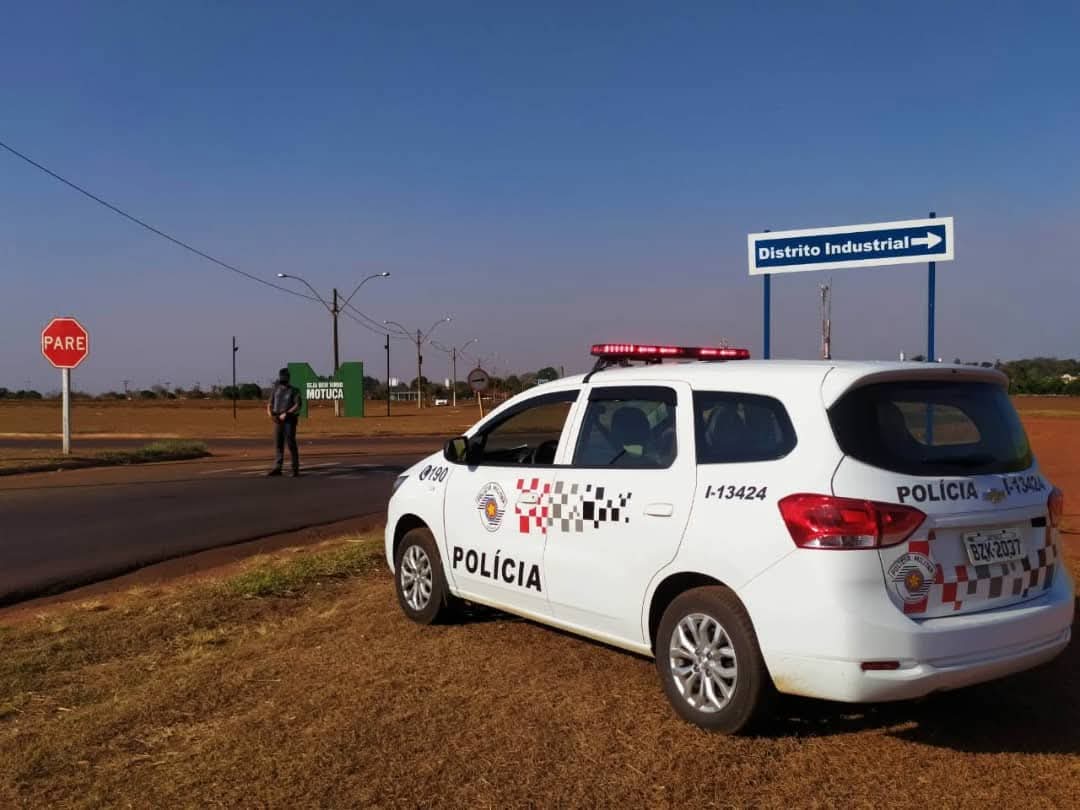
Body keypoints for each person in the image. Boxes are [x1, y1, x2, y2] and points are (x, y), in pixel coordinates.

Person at [267, 367, 301, 477]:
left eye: (285, 377)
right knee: (278, 443)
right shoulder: (276, 389)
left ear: (288, 378)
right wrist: (270, 414)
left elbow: (297, 404)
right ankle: (278, 467)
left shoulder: (294, 390)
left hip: (289, 420)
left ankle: (295, 468)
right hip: (277, 419)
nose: (283, 380)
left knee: (290, 443)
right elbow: (269, 404)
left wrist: (287, 413)